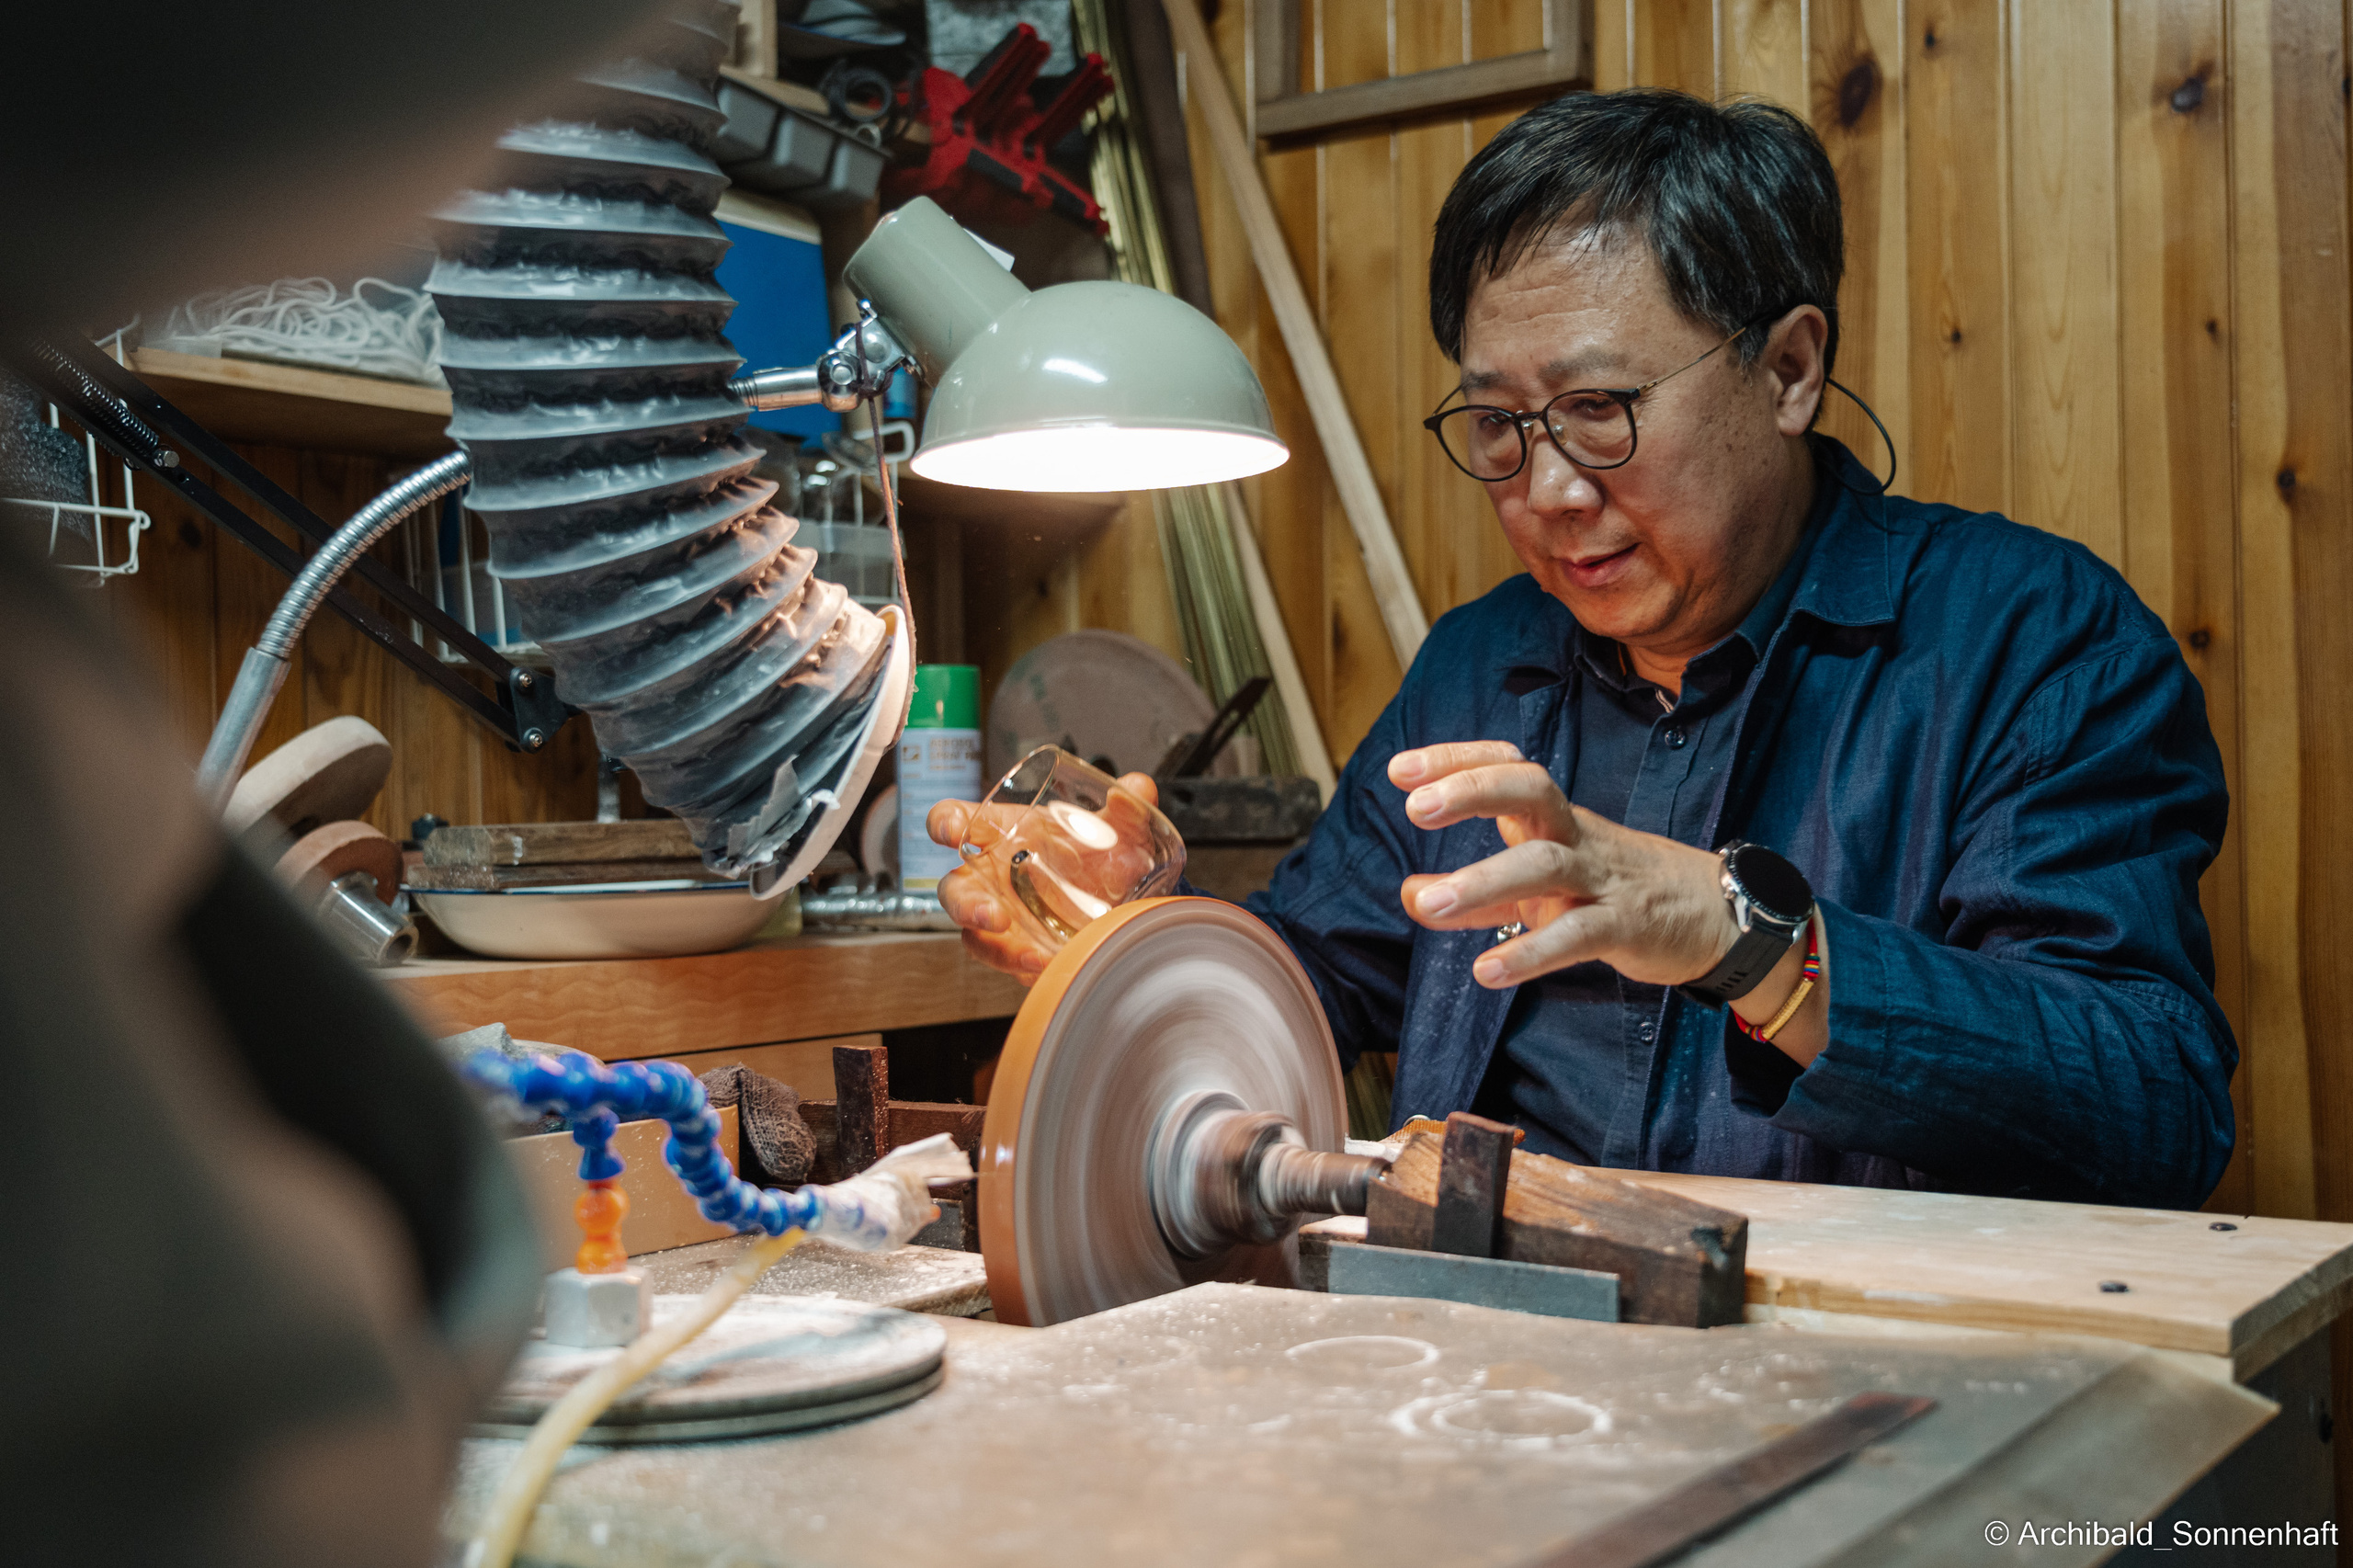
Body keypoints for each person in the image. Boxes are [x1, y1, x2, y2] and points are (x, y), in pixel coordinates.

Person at [932, 89, 2235, 1210]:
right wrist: (1135, 933)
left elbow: (2152, 1104)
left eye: (1601, 410)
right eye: (1498, 422)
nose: (1547, 488)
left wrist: (1749, 941)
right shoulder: (1482, 663)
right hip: (1494, 1362)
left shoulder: (2028, 640)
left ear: (1788, 370)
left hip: (1869, 1385)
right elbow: (1320, 984)